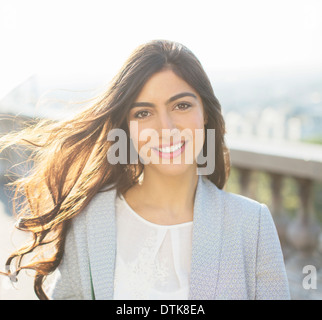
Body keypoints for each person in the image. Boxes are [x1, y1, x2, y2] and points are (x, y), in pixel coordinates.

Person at [0, 40, 290, 300]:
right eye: (143, 113)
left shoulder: (252, 224)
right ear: (126, 128)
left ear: (206, 114)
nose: (166, 128)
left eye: (181, 105)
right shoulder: (90, 220)